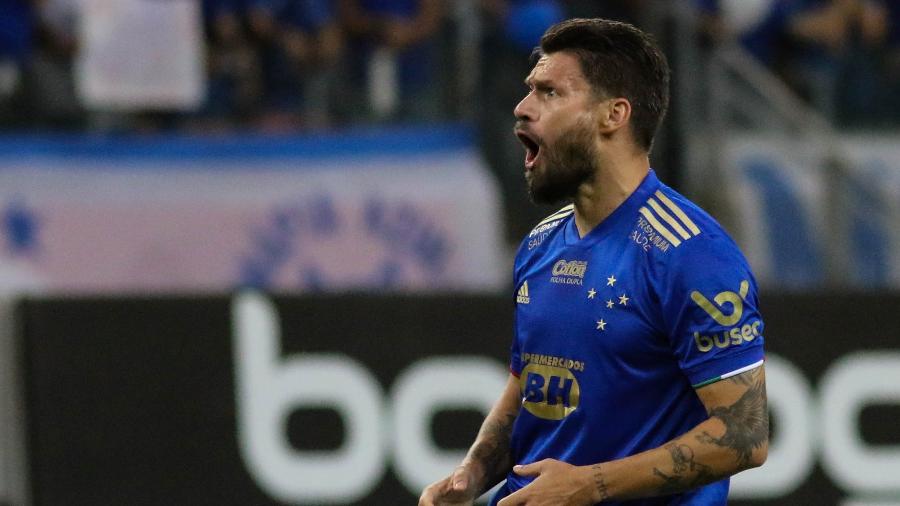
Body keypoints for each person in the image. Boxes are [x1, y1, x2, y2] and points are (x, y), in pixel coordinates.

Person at [419, 18, 768, 506]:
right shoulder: (541, 244)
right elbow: (527, 386)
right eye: (528, 91)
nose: (521, 109)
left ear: (613, 115)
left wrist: (588, 485)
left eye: (549, 93)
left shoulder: (691, 254)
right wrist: (473, 472)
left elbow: (745, 435)